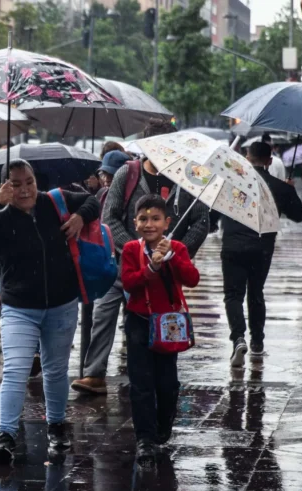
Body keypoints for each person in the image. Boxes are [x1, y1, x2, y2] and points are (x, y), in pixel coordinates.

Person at [72, 119, 209, 395]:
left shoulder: (189, 177)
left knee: (158, 319)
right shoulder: (128, 173)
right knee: (103, 314)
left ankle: (160, 373)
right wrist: (134, 248)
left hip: (165, 269)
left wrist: (175, 252)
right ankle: (94, 374)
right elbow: (110, 218)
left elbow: (201, 222)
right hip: (125, 263)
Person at [0, 159, 100, 464]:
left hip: (61, 304)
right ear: (4, 186)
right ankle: (6, 435)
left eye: (29, 182)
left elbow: (92, 200)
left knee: (56, 370)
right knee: (15, 370)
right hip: (19, 307)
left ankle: (57, 425)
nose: (24, 190)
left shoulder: (52, 201)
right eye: (16, 184)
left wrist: (79, 217)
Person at [121, 194, 200, 465]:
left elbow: (192, 279)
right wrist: (151, 268)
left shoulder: (177, 247)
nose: (149, 224)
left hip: (168, 324)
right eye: (143, 219)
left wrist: (172, 257)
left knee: (167, 383)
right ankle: (145, 438)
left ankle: (163, 424)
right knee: (141, 383)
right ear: (135, 222)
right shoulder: (131, 249)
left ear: (167, 222)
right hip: (139, 322)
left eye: (155, 219)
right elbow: (129, 282)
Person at [221, 142, 302, 368]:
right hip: (262, 248)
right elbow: (298, 215)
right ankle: (257, 341)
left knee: (233, 295)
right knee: (256, 292)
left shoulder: (232, 183)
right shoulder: (279, 187)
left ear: (246, 158)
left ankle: (238, 338)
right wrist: (290, 190)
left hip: (232, 246)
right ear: (269, 161)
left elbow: (213, 217)